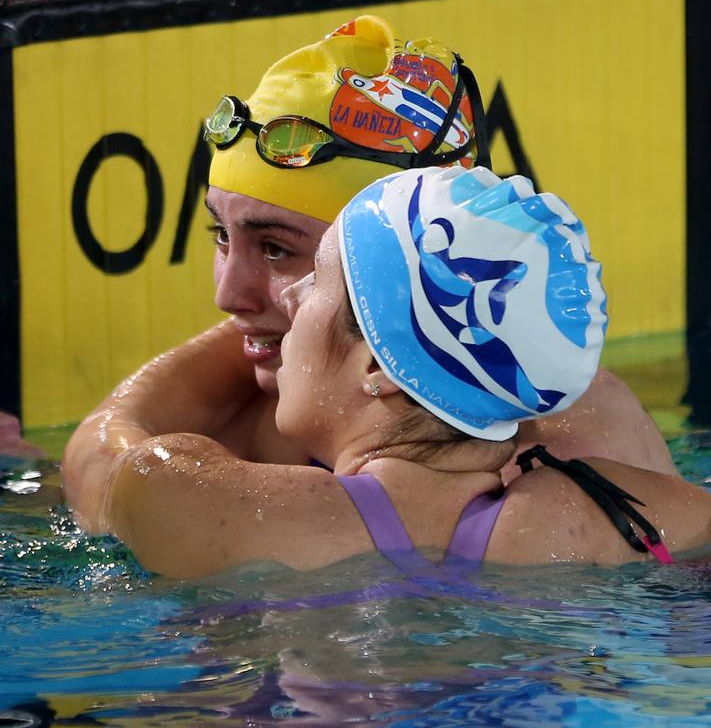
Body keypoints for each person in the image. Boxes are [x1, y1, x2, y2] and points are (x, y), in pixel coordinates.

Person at [62, 15, 676, 534]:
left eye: (277, 249)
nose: (228, 294)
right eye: (221, 235)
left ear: (398, 272)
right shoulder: (239, 411)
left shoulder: (572, 444)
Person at [101, 165, 711, 577]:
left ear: (378, 365)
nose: (288, 300)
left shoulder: (203, 501)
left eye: (317, 283)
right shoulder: (634, 514)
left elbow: (120, 469)